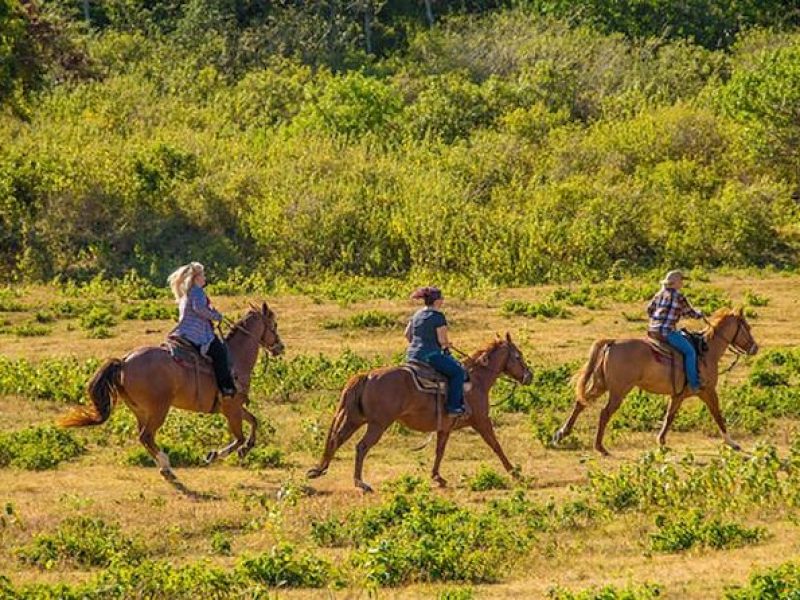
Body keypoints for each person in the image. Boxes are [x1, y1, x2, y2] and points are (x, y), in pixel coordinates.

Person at [167, 262, 236, 397]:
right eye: (203, 275)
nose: (205, 277)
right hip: (196, 333)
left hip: (184, 331)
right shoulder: (197, 291)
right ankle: (226, 388)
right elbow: (199, 309)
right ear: (196, 278)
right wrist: (216, 316)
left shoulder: (186, 293)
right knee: (220, 352)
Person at [405, 286, 468, 416]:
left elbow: (407, 334)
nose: (443, 300)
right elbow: (442, 341)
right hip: (430, 356)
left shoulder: (417, 314)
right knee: (458, 372)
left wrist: (418, 344)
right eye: (441, 298)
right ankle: (453, 407)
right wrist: (446, 345)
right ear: (437, 301)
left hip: (412, 355)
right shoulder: (438, 316)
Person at [647, 269, 704, 392]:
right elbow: (689, 312)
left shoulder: (659, 294)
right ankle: (694, 384)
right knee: (690, 352)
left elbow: (649, 309)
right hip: (666, 332)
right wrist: (700, 315)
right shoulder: (678, 296)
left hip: (653, 330)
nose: (682, 283)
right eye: (681, 280)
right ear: (676, 283)